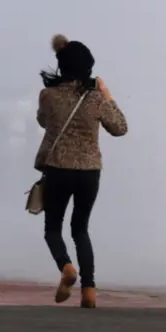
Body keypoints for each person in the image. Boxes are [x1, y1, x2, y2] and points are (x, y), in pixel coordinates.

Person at [35, 34, 128, 308]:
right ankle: (89, 291)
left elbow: (43, 121)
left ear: (61, 66)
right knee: (80, 229)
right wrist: (108, 96)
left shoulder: (48, 95)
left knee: (53, 228)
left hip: (58, 169)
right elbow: (120, 128)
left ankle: (66, 268)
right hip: (89, 172)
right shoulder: (96, 99)